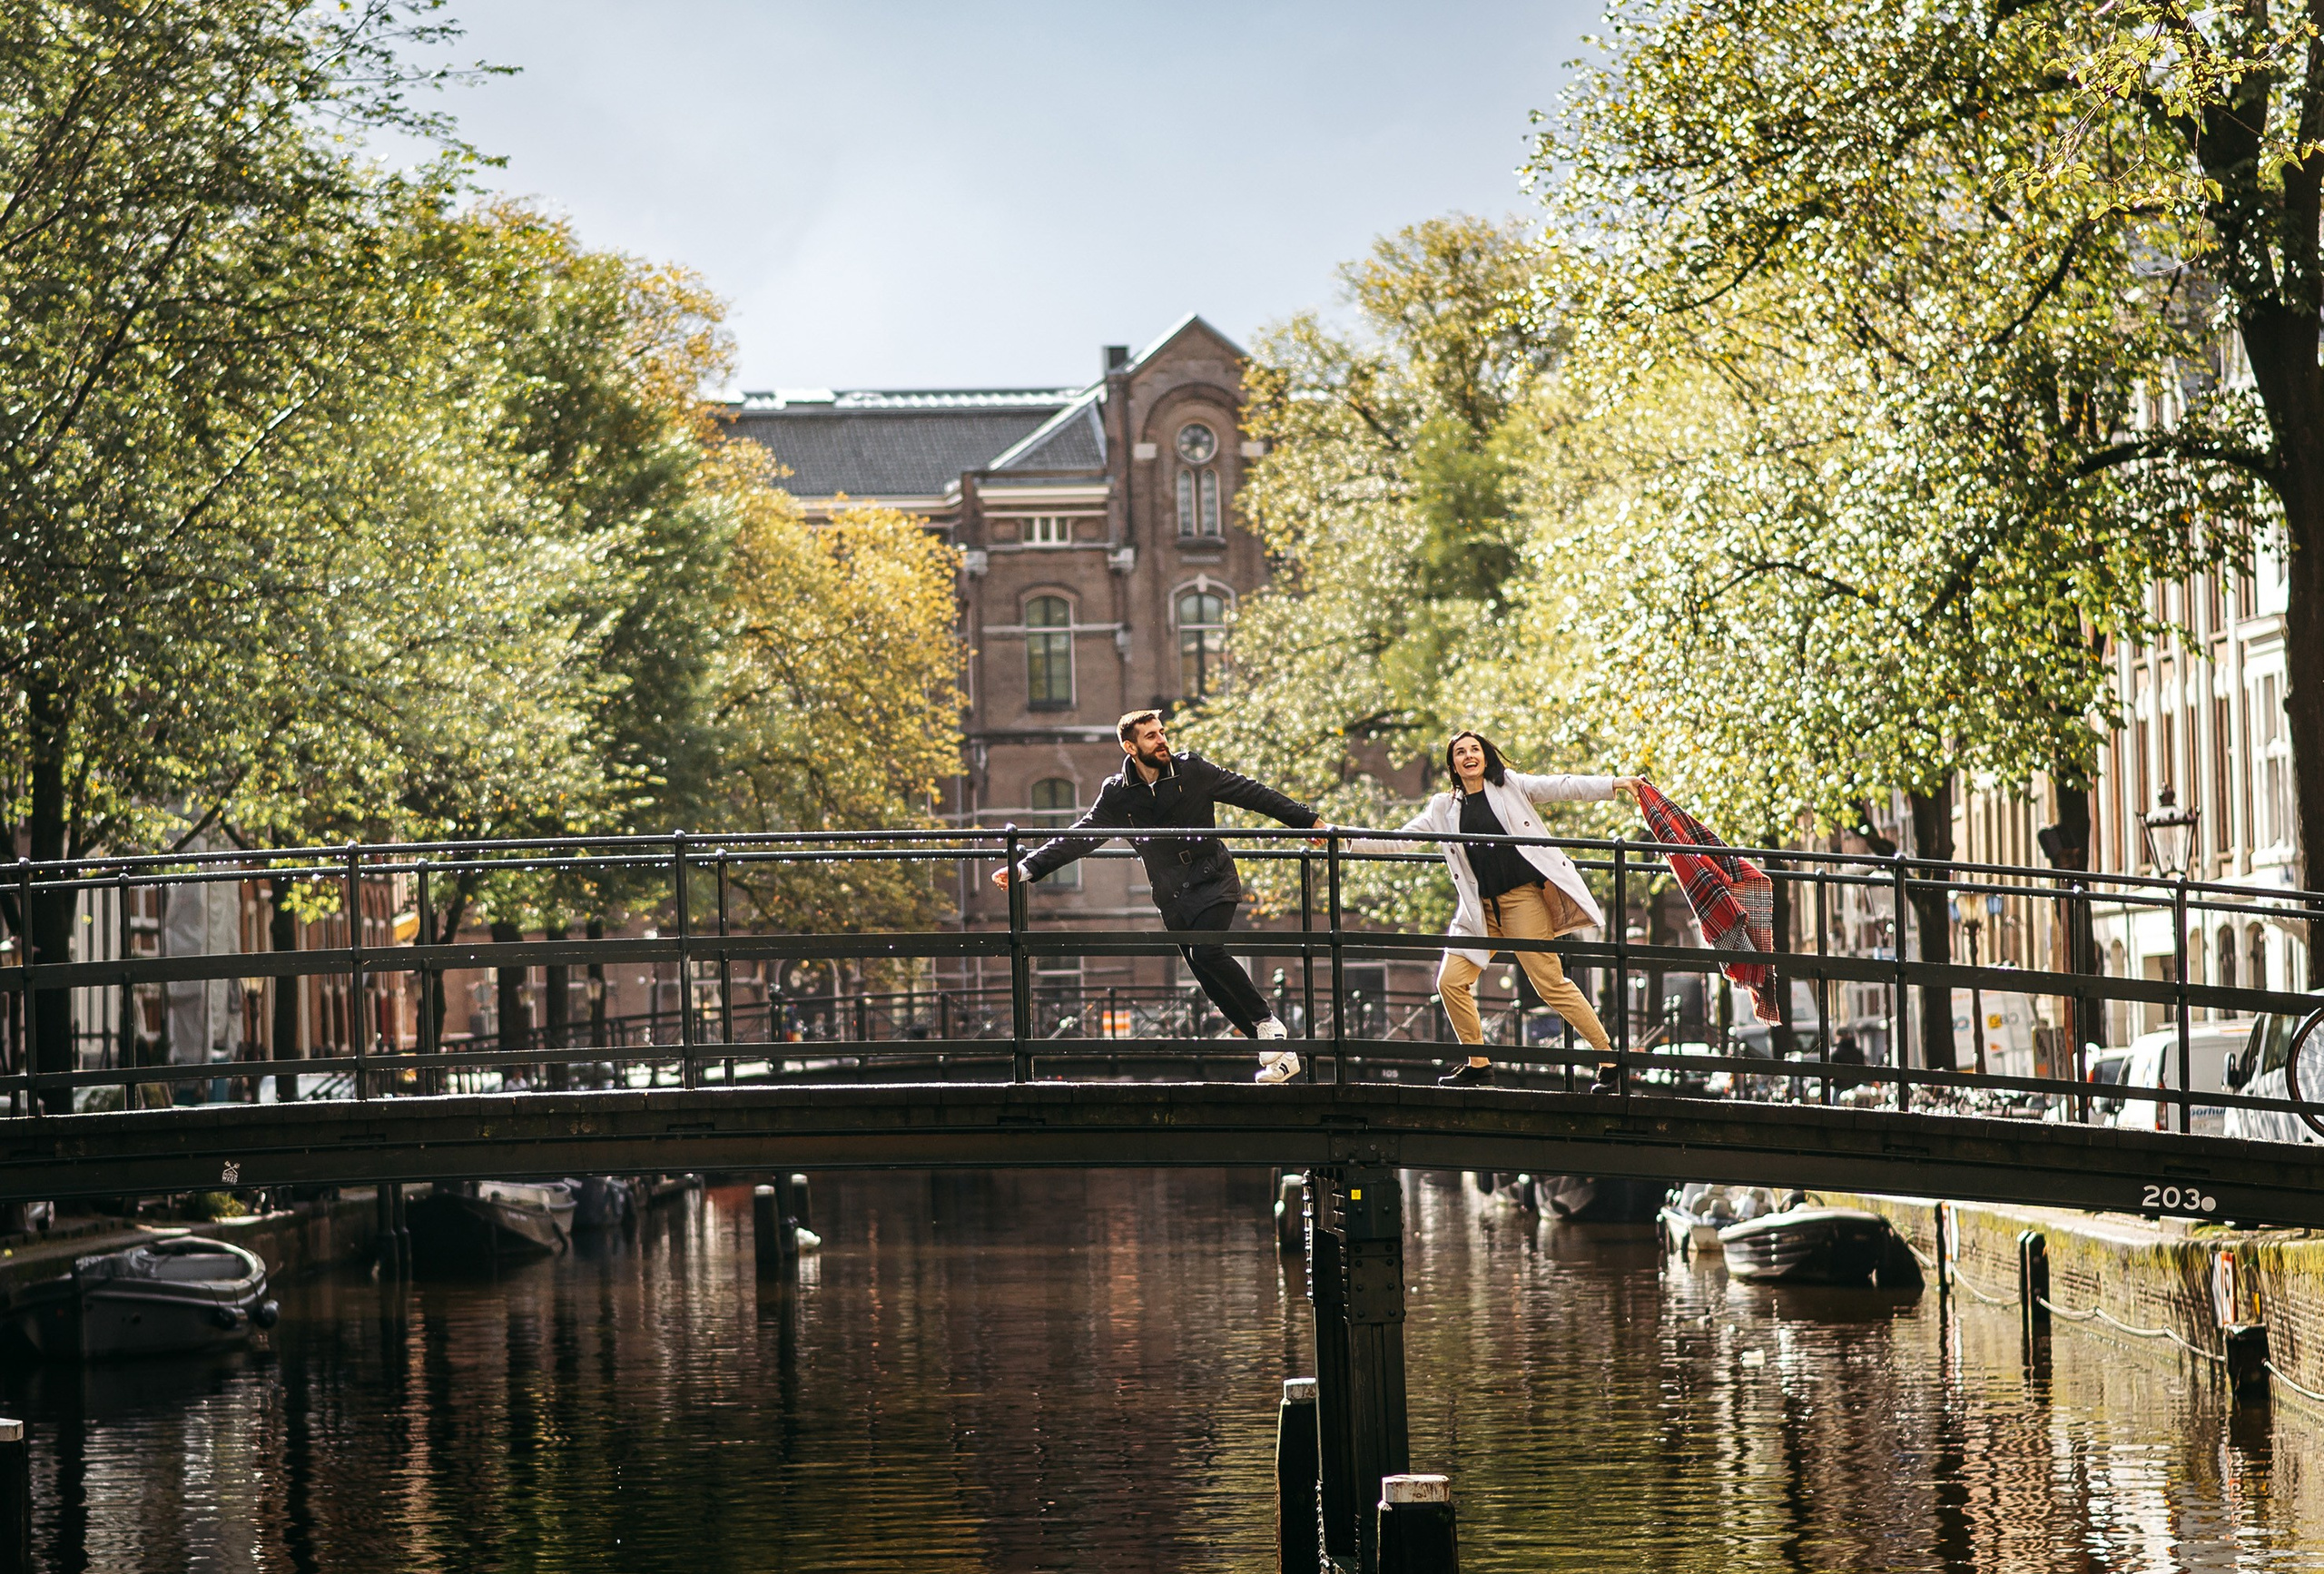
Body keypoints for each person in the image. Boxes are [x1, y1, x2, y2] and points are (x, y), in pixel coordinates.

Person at [993, 710, 1326, 1083]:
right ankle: (1282, 1057)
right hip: (1171, 895)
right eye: (1151, 736)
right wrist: (1026, 868)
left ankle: (1268, 1023)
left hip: (1212, 877)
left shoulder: (1191, 771)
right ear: (1130, 747)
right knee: (1208, 979)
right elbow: (1080, 836)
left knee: (1207, 951)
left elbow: (1251, 793)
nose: (1162, 740)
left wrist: (1307, 822)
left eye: (1162, 732)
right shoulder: (1118, 795)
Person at [1362, 731, 1642, 1087]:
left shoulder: (1510, 786)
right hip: (1479, 911)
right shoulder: (1443, 808)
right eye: (1460, 753)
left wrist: (1613, 783)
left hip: (1521, 900)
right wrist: (1342, 839)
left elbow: (1562, 786)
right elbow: (1401, 839)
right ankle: (1478, 1063)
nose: (1468, 756)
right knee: (1450, 982)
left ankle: (1608, 1058)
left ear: (1485, 756)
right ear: (1453, 765)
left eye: (1474, 750)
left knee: (1550, 984)